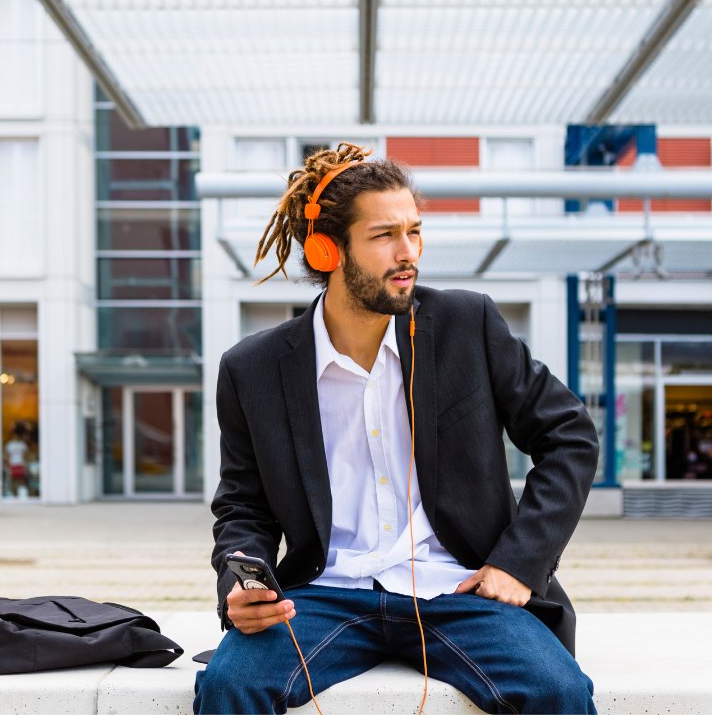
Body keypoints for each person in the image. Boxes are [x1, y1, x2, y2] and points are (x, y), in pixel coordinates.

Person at [194, 143, 599, 714]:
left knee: (558, 691)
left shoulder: (467, 324)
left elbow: (569, 435)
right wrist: (239, 584)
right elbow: (243, 505)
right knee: (228, 686)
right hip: (323, 595)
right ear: (327, 249)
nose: (408, 253)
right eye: (385, 235)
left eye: (415, 231)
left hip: (458, 590)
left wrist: (519, 561)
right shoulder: (252, 369)